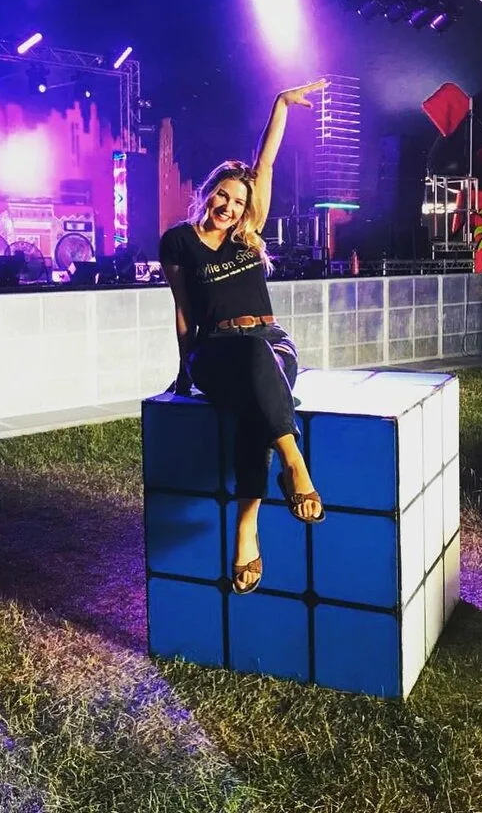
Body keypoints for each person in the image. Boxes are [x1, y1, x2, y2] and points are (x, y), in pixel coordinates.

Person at [159, 80, 328, 596]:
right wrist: (185, 370)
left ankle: (246, 529)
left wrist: (280, 105)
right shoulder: (179, 241)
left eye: (239, 201)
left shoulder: (245, 236)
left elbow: (266, 163)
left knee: (257, 391)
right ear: (209, 191)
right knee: (253, 369)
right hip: (215, 351)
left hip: (270, 342)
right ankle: (294, 463)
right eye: (223, 195)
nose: (229, 206)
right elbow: (184, 311)